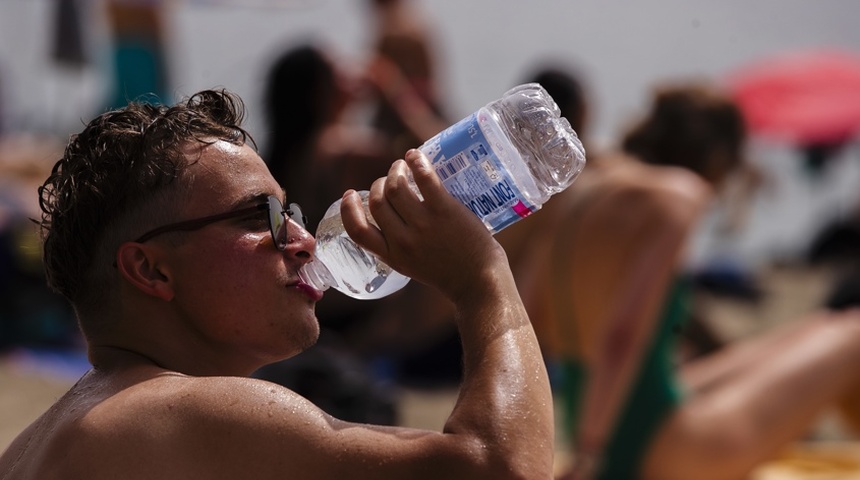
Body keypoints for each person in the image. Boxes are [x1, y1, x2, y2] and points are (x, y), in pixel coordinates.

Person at [0, 89, 554, 479]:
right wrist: (482, 277)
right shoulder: (176, 412)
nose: (305, 239)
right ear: (151, 270)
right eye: (257, 217)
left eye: (289, 211)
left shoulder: (39, 443)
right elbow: (501, 468)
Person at [500, 73, 860, 480]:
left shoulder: (585, 191)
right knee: (854, 333)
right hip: (659, 448)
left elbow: (529, 313)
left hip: (598, 415)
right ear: (718, 158)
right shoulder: (679, 195)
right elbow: (623, 332)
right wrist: (588, 451)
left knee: (818, 328)